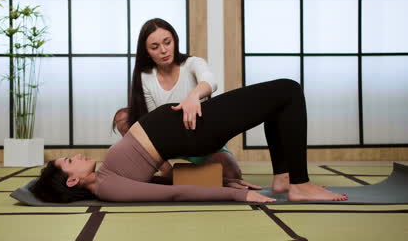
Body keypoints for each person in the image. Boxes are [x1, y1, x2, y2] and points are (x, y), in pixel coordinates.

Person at [31, 78, 348, 203]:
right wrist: (233, 196)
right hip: (195, 130)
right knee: (288, 90)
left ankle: (283, 180)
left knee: (278, 102)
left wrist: (224, 180)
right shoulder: (108, 186)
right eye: (69, 162)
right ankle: (300, 184)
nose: (75, 156)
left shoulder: (106, 177)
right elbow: (176, 193)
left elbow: (164, 181)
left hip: (190, 125)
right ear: (72, 181)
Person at [113, 18, 242, 180]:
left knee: (232, 175)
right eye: (155, 47)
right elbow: (151, 120)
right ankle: (167, 171)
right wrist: (162, 161)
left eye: (167, 42)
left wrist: (193, 97)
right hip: (167, 141)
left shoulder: (192, 63)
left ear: (175, 40)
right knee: (123, 117)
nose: (163, 50)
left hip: (200, 136)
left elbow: (210, 81)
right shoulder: (145, 76)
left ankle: (183, 175)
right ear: (147, 51)